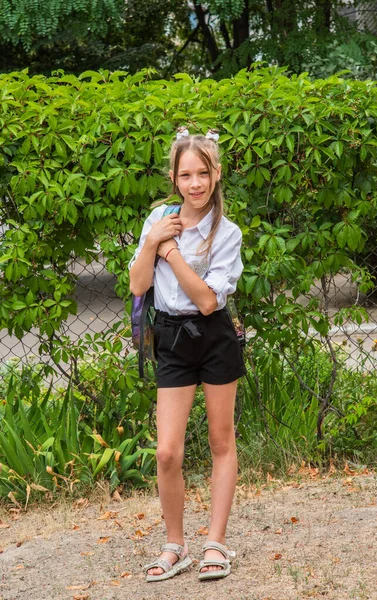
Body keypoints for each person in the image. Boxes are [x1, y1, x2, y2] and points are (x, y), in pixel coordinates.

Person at [128, 127, 246, 582]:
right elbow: (139, 284)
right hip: (171, 338)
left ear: (216, 174)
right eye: (185, 175)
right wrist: (151, 238)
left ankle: (215, 543)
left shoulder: (227, 232)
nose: (194, 183)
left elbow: (208, 301)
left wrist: (170, 250)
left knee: (221, 441)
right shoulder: (159, 218)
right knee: (167, 452)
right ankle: (174, 545)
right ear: (174, 178)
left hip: (214, 336)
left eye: (202, 173)